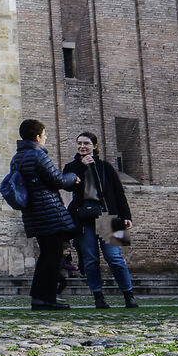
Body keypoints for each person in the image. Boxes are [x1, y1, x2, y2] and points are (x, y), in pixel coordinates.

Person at [10, 118, 78, 311]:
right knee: (53, 255)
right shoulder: (37, 155)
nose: (46, 137)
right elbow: (58, 180)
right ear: (38, 136)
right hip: (48, 212)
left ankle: (40, 297)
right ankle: (47, 298)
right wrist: (74, 178)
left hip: (33, 214)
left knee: (46, 254)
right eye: (45, 134)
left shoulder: (18, 157)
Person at [65, 130, 136, 311]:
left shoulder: (105, 167)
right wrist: (82, 166)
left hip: (108, 217)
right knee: (90, 259)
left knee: (115, 258)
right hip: (83, 218)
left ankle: (128, 294)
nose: (82, 147)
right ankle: (98, 297)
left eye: (86, 143)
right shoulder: (71, 167)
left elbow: (119, 193)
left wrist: (126, 216)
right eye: (79, 143)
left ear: (94, 146)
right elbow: (68, 183)